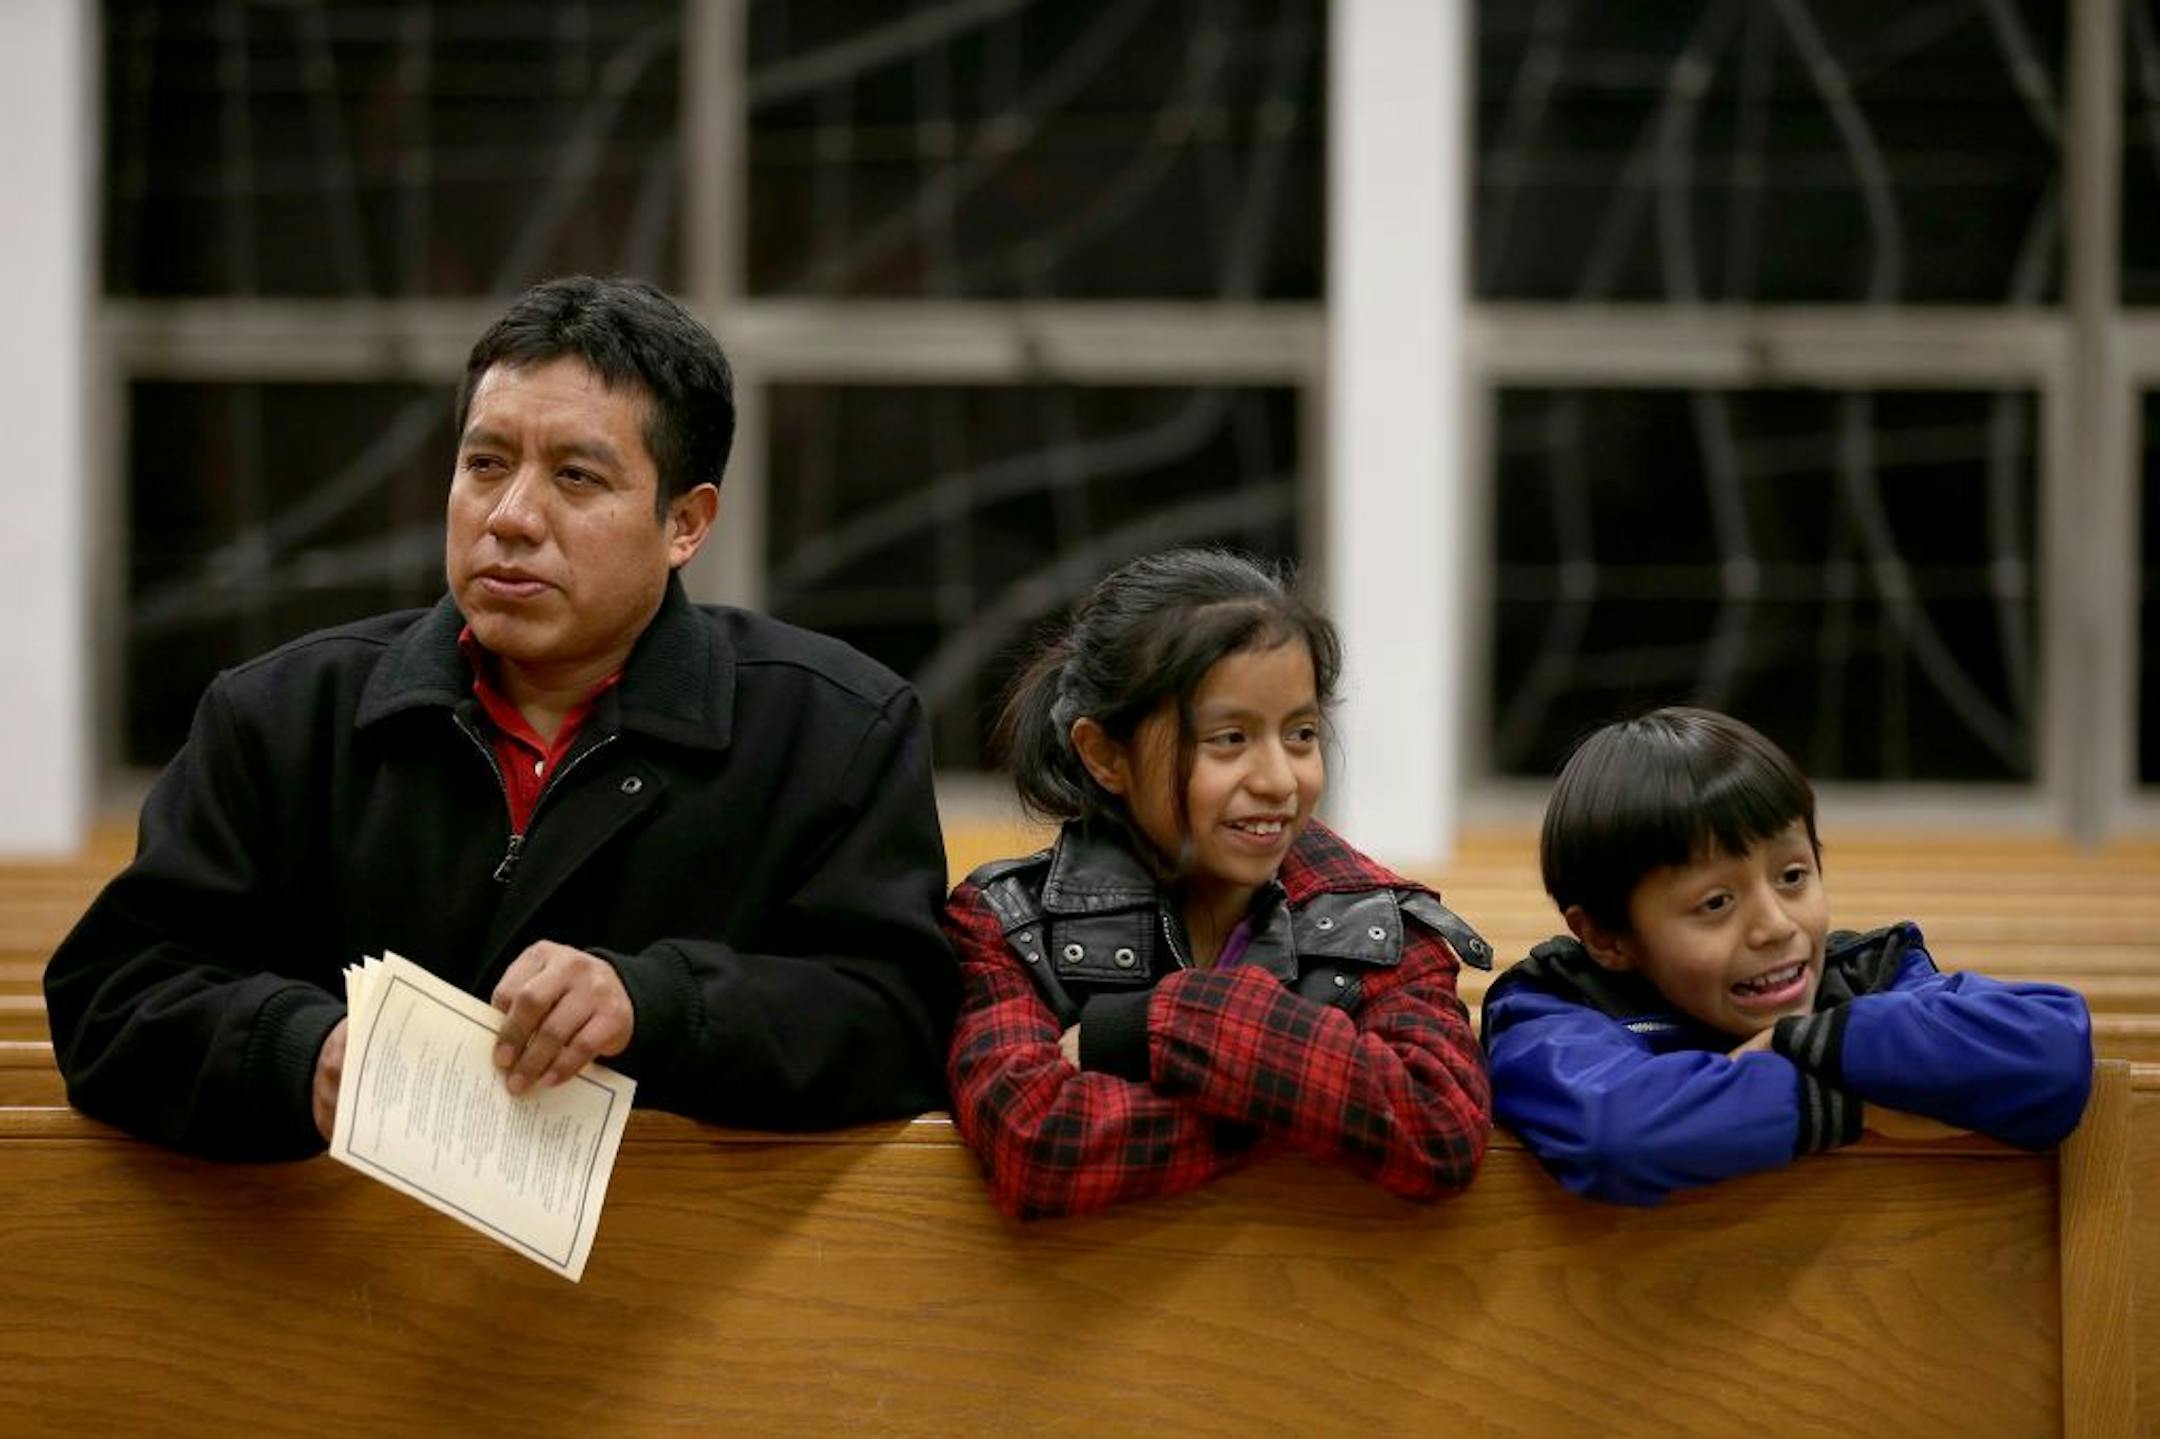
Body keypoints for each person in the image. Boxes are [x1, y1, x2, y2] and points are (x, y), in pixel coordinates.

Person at [45, 275, 958, 1160]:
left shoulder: (833, 729)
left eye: (575, 477)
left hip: (680, 1279)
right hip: (328, 1274)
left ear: (685, 522)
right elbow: (116, 991)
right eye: (485, 464)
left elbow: (896, 1018)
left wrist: (656, 1001)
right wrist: (297, 1053)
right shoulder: (283, 714)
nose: (511, 516)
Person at [942, 548, 1494, 1221]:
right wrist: (1312, 1113)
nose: (1279, 780)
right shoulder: (1009, 924)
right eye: (1229, 738)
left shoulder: (1380, 929)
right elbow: (1042, 1145)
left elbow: (1439, 1126)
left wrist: (1158, 1022)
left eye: (1301, 733)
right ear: (1105, 754)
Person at [1482, 705, 2093, 1206]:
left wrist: (1800, 1040)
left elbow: (2051, 1055)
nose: (1775, 926)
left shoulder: (1866, 974)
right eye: (1716, 902)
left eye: (1793, 876)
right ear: (1606, 938)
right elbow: (1615, 1133)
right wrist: (1867, 1102)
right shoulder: (1549, 1007)